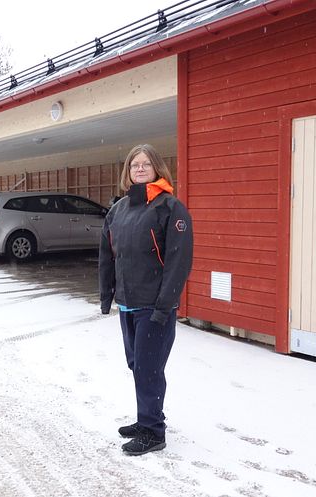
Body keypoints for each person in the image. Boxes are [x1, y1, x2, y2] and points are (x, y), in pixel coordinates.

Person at [99, 144, 193, 456]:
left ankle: (153, 432)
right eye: (134, 165)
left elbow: (179, 261)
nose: (139, 169)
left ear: (157, 169)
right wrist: (107, 295)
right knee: (137, 365)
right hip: (127, 302)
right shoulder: (119, 209)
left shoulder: (170, 208)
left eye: (145, 164)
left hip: (154, 307)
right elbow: (107, 254)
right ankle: (146, 419)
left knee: (149, 368)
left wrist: (165, 305)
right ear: (127, 171)